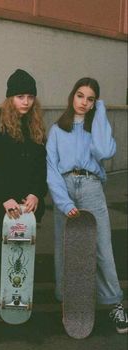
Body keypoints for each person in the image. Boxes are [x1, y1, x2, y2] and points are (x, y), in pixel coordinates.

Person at [46, 77, 128, 334]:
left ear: (95, 103)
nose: (84, 102)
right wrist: (63, 201)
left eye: (90, 98)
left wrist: (101, 110)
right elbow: (51, 170)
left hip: (92, 187)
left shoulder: (97, 127)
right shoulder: (57, 130)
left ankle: (114, 302)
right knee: (67, 248)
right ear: (72, 96)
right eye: (80, 95)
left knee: (102, 246)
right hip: (66, 188)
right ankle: (68, 303)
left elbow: (104, 152)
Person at [0, 69, 47, 326]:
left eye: (30, 96)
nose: (26, 102)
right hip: (3, 202)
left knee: (23, 252)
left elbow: (41, 166)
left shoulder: (35, 125)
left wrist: (36, 193)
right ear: (10, 97)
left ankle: (18, 298)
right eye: (20, 96)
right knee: (1, 250)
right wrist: (4, 198)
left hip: (26, 203)